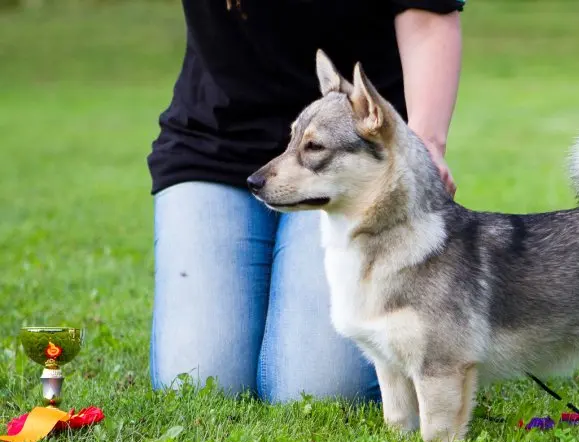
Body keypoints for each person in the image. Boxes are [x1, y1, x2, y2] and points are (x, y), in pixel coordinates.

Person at [147, 0, 464, 403]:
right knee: (196, 382)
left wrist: (423, 147)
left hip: (351, 160)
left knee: (317, 389)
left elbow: (427, 16)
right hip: (212, 141)